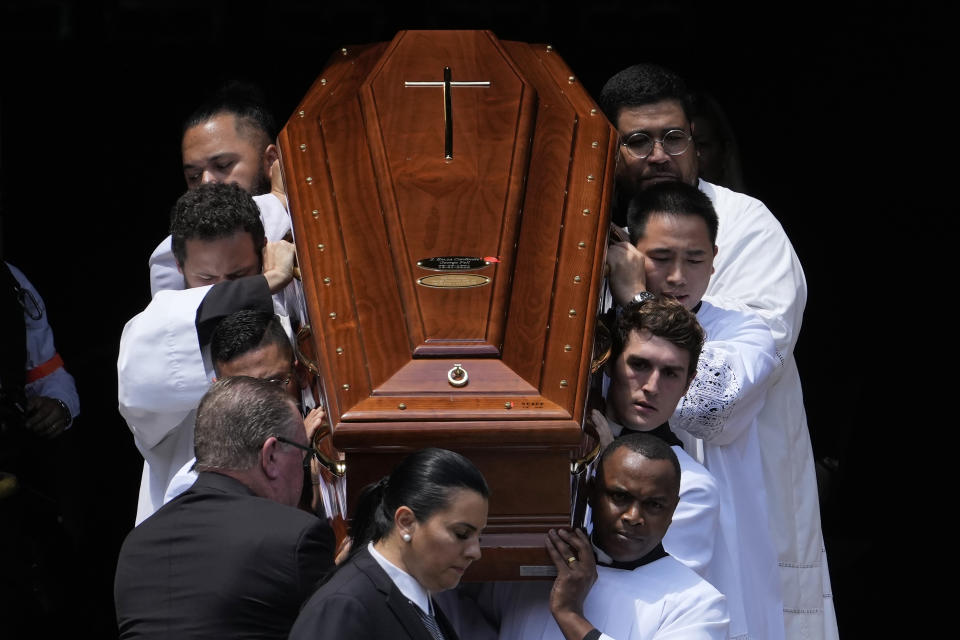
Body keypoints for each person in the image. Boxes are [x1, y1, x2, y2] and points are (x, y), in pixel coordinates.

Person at [599, 63, 836, 639]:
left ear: (697, 145)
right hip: (616, 522)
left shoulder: (746, 227)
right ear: (609, 152)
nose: (659, 154)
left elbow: (712, 406)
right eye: (638, 141)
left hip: (729, 502)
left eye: (674, 137)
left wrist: (633, 298)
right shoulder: (594, 235)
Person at [608, 181, 784, 639]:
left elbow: (706, 403)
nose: (677, 277)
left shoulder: (744, 330)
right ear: (628, 250)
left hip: (716, 532)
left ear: (716, 257)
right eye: (661, 258)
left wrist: (638, 301)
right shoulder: (595, 317)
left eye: (695, 259)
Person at [118, 183, 299, 524]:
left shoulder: (282, 309)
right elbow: (136, 388)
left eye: (238, 275)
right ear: (179, 265)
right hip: (195, 530)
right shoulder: (157, 330)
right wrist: (263, 282)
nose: (224, 289)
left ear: (262, 251)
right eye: (206, 278)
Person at [442, 433, 728, 640]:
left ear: (673, 510)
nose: (633, 517)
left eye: (654, 505)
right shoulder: (538, 568)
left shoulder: (697, 603)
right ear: (591, 493)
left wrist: (570, 616)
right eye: (619, 497)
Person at [114, 376, 335, 639]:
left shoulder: (137, 545)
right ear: (271, 456)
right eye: (302, 451)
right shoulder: (295, 539)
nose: (302, 465)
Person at [289, 447, 490, 640]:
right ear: (406, 522)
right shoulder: (343, 606)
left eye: (478, 537)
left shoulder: (417, 601)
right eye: (461, 534)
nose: (475, 552)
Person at [148, 82, 291, 296]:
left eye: (222, 165)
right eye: (194, 176)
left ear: (271, 161)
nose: (206, 182)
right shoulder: (173, 257)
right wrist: (276, 201)